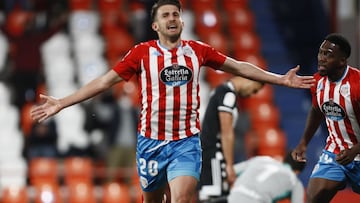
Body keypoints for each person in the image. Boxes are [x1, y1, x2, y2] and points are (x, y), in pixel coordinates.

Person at [30, 0, 314, 202]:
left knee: (182, 197)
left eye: (176, 14)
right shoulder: (141, 54)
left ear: (182, 19)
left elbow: (238, 66)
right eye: (166, 15)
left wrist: (280, 79)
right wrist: (62, 103)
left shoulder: (198, 51)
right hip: (151, 143)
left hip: (186, 144)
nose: (172, 18)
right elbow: (105, 82)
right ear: (155, 25)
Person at [292, 33, 360, 203]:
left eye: (328, 55)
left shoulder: (357, 86)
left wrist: (355, 151)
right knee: (313, 196)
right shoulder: (318, 82)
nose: (321, 58)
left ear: (342, 61)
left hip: (356, 151)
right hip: (335, 153)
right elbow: (316, 111)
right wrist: (303, 142)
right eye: (321, 53)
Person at [198, 76, 263, 201]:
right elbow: (226, 132)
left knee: (209, 195)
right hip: (214, 156)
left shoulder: (219, 90)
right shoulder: (228, 94)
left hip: (207, 154)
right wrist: (229, 165)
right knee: (214, 197)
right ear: (249, 79)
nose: (251, 95)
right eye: (254, 90)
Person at [227, 152, 306, 203]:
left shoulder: (261, 159)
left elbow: (229, 172)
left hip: (233, 197)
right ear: (297, 172)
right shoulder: (295, 182)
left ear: (284, 160)